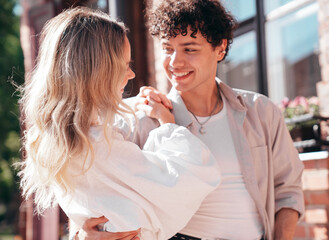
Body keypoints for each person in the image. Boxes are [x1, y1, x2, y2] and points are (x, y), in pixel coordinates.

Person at [79, 0, 305, 239]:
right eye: (167, 49)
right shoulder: (142, 119)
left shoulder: (261, 112)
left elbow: (288, 190)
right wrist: (81, 235)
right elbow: (91, 191)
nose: (175, 62)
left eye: (189, 49)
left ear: (220, 49)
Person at [17, 7, 222, 240]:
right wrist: (167, 125)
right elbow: (188, 179)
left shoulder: (66, 141)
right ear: (98, 72)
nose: (132, 75)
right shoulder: (98, 146)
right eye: (125, 65)